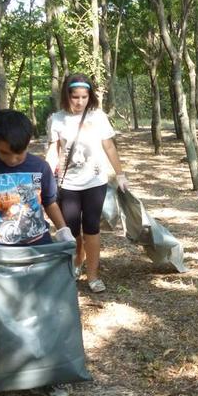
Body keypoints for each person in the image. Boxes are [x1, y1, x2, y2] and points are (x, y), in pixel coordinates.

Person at [0, 109, 76, 396]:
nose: (14, 159)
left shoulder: (40, 167)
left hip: (39, 251)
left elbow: (50, 202)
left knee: (43, 315)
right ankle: (10, 373)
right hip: (4, 256)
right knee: (10, 316)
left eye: (20, 153)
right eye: (6, 153)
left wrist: (63, 230)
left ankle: (49, 376)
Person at [45, 73, 129, 293]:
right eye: (75, 97)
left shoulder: (98, 117)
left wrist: (120, 174)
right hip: (68, 184)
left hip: (94, 182)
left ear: (90, 96)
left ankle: (93, 276)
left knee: (91, 227)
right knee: (72, 229)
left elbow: (109, 146)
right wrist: (44, 178)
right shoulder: (57, 119)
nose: (80, 101)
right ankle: (76, 261)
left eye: (84, 97)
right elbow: (53, 151)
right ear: (67, 95)